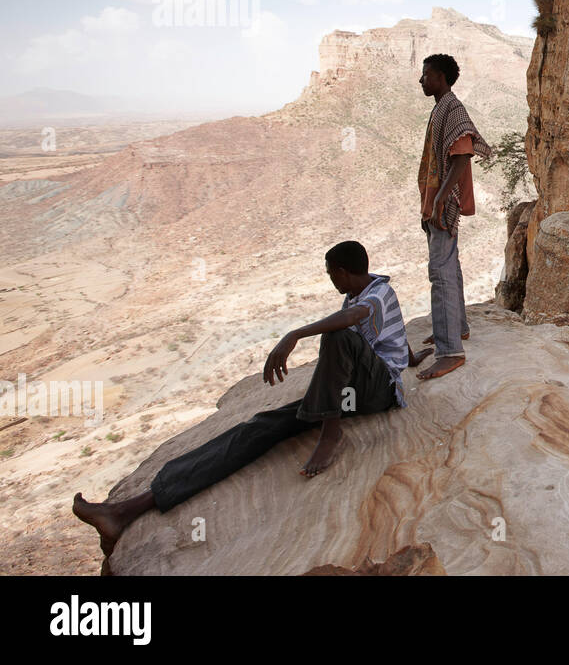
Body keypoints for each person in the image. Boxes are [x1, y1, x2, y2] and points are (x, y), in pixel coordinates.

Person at [72, 241, 409, 556]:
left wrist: (294, 334)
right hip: (350, 392)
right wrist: (411, 356)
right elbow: (390, 334)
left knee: (335, 336)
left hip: (377, 394)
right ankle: (126, 510)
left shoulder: (377, 293)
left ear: (341, 272)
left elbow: (353, 323)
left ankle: (331, 431)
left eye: (329, 273)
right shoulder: (355, 295)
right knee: (259, 427)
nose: (329, 280)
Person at [414, 53, 492, 380]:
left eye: (427, 75)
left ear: (442, 77)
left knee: (440, 272)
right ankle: (456, 328)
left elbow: (461, 158)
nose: (422, 80)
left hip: (443, 204)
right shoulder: (441, 107)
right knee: (451, 265)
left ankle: (450, 352)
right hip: (436, 201)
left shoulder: (453, 109)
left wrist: (439, 202)